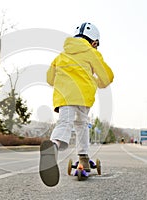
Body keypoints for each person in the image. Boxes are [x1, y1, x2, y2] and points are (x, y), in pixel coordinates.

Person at [39, 22, 114, 187]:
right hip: (83, 96)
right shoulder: (92, 53)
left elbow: (49, 78)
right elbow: (107, 77)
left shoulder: (61, 56)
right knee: (82, 125)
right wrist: (95, 81)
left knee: (64, 123)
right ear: (94, 42)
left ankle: (54, 145)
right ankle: (83, 158)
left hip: (64, 97)